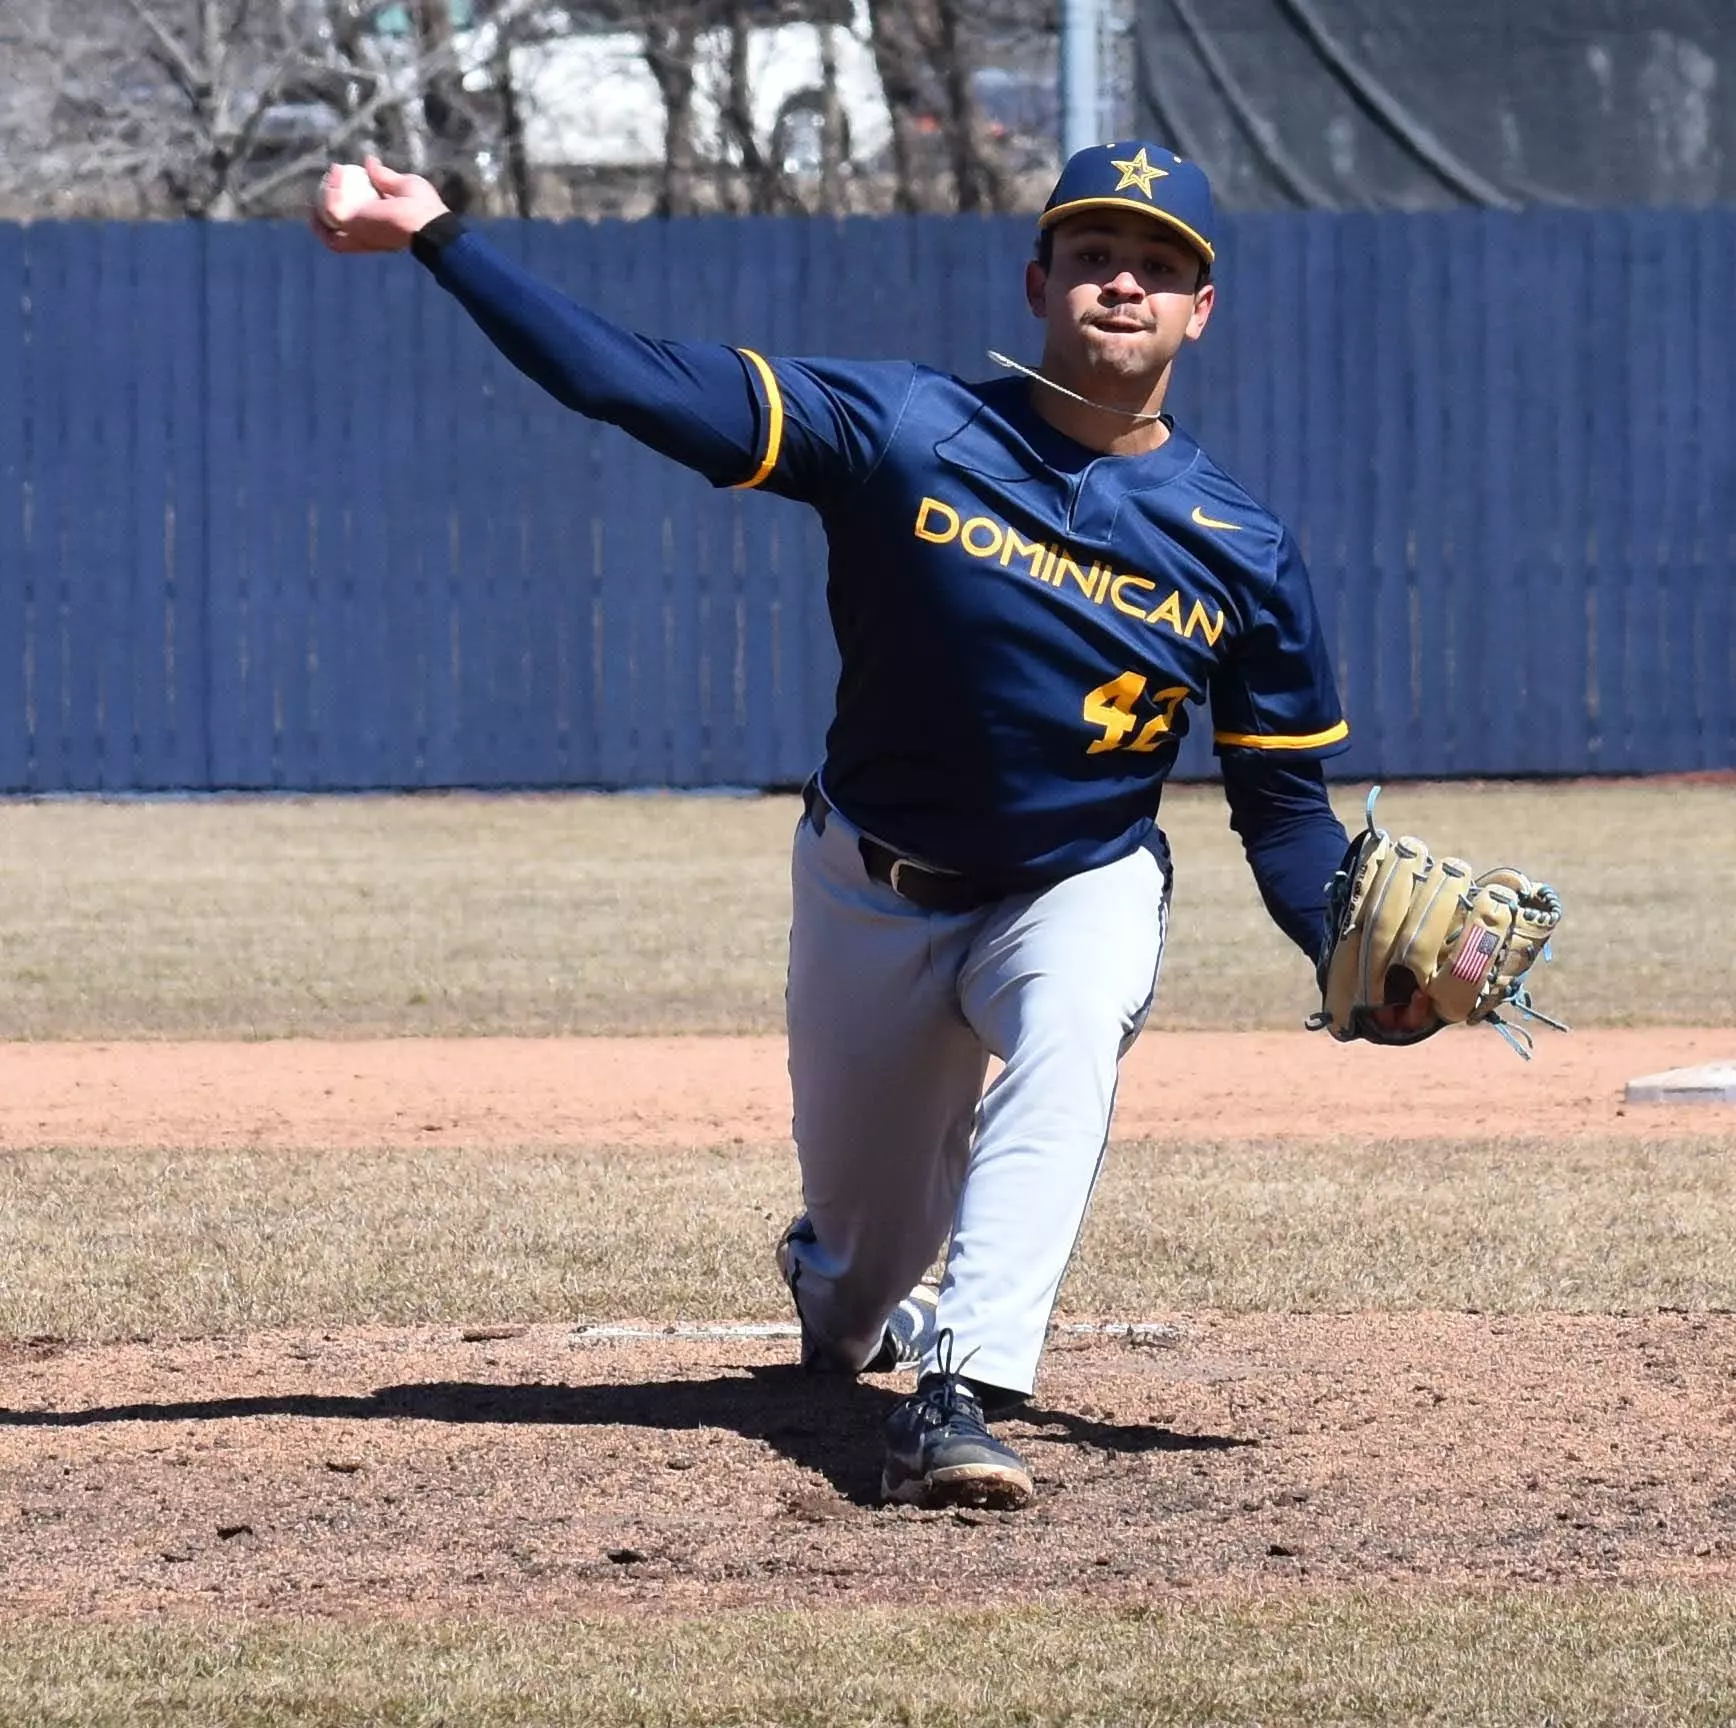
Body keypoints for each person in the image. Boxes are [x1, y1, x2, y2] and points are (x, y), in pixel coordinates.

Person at [315, 141, 1401, 1513]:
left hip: (1077, 879)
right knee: (856, 1283)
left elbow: (1285, 813)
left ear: (1201, 310)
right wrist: (438, 236)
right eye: (1092, 256)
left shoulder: (1242, 548)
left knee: (1071, 1036)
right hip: (870, 887)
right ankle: (845, 1295)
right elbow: (624, 380)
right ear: (1038, 284)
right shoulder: (904, 430)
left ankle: (962, 1394)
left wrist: (1354, 951)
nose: (1123, 283)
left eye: (1158, 265)